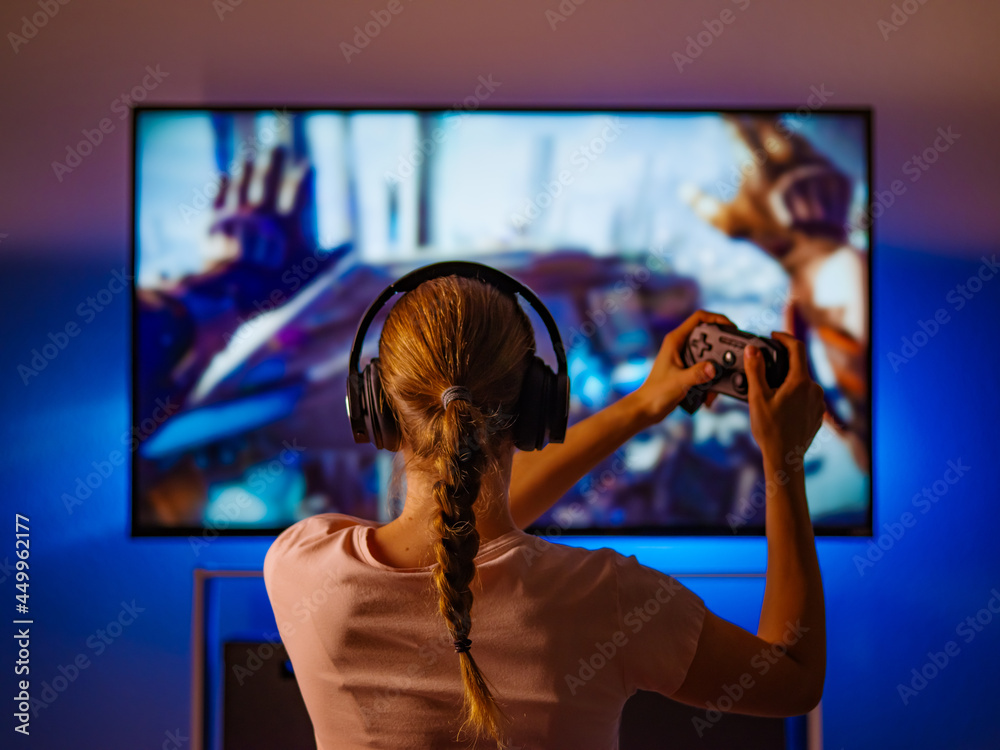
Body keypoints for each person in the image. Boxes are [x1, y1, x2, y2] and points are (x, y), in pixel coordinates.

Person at [263, 272, 827, 749]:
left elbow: (463, 524)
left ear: (374, 409)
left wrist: (642, 405)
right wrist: (786, 458)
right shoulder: (614, 602)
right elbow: (794, 678)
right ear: (538, 412)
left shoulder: (301, 567)